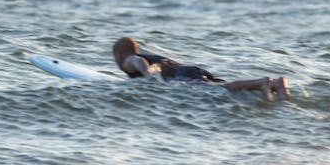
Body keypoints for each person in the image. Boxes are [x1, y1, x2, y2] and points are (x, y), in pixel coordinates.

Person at [112, 37, 290, 101]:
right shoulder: (154, 58)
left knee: (224, 88)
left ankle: (261, 82)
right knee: (228, 88)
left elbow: (137, 61)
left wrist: (148, 75)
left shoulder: (128, 59)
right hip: (190, 70)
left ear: (119, 54)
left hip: (183, 76)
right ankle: (277, 86)